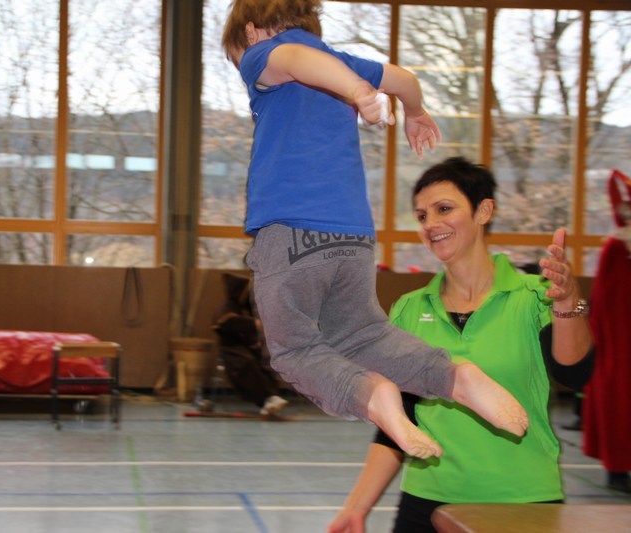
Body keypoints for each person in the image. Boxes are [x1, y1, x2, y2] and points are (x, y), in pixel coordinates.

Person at [221, 0, 528, 460]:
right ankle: (455, 378)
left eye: (239, 59)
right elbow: (404, 80)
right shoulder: (340, 60)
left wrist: (359, 93)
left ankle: (370, 395)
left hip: (292, 234)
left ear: (251, 32)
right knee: (363, 334)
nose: (246, 71)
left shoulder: (266, 55)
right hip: (354, 238)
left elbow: (294, 58)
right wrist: (414, 110)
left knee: (293, 350)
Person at [327, 157, 594, 533]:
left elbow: (576, 372)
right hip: (427, 501)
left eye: (444, 209)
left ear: (483, 211)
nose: (430, 224)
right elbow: (397, 419)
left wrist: (568, 301)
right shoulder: (409, 309)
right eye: (422, 216)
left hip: (524, 501)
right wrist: (357, 508)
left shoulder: (534, 295)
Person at [582, 169, 631, 493]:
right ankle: (617, 468)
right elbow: (606, 306)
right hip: (619, 345)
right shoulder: (616, 249)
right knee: (619, 395)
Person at [213, 272, 289, 415]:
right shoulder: (228, 309)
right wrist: (253, 324)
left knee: (265, 361)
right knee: (247, 362)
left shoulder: (246, 311)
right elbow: (223, 323)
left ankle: (269, 399)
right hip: (232, 350)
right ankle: (268, 398)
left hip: (247, 348)